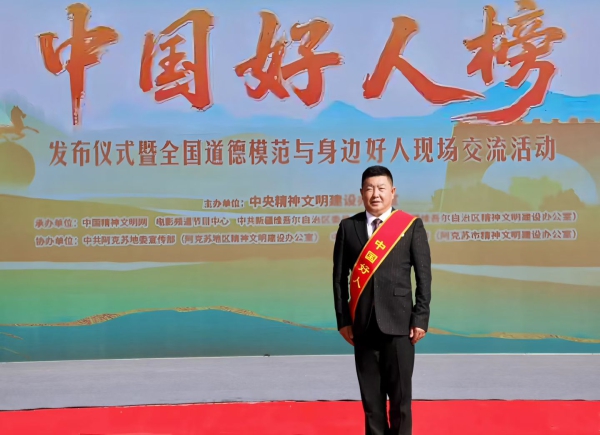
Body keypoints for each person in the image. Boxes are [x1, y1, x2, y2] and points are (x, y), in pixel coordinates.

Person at [332, 165, 432, 435]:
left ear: (392, 192)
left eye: (381, 188)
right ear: (361, 193)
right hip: (362, 326)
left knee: (401, 402)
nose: (375, 194)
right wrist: (343, 320)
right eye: (369, 189)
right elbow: (339, 279)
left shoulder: (410, 226)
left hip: (400, 326)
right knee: (372, 404)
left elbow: (424, 276)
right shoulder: (348, 227)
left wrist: (420, 317)